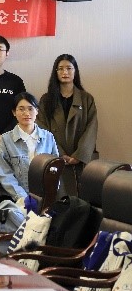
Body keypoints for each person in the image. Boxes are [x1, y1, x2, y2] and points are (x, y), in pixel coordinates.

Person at [36, 54, 99, 196]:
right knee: (60, 198)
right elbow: (42, 128)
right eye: (61, 69)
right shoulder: (46, 100)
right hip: (56, 158)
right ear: (56, 72)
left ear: (75, 71)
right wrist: (60, 153)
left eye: (69, 68)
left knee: (84, 198)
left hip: (82, 160)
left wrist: (79, 155)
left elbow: (91, 128)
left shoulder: (86, 98)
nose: (65, 72)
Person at [0, 92, 59, 208]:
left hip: (45, 198)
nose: (26, 113)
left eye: (30, 109)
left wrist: (49, 195)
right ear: (14, 112)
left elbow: (55, 169)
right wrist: (23, 198)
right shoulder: (5, 140)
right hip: (16, 200)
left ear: (37, 111)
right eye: (21, 109)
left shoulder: (48, 137)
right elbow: (5, 174)